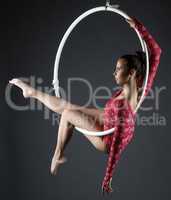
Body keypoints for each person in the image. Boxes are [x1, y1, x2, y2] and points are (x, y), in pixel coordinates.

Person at [8, 17, 162, 195]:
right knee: (68, 105)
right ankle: (31, 92)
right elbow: (157, 52)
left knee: (67, 114)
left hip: (107, 140)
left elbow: (116, 149)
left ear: (132, 73)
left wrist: (107, 177)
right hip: (108, 118)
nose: (114, 72)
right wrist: (139, 26)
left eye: (118, 69)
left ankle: (57, 154)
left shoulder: (124, 111)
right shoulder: (143, 83)